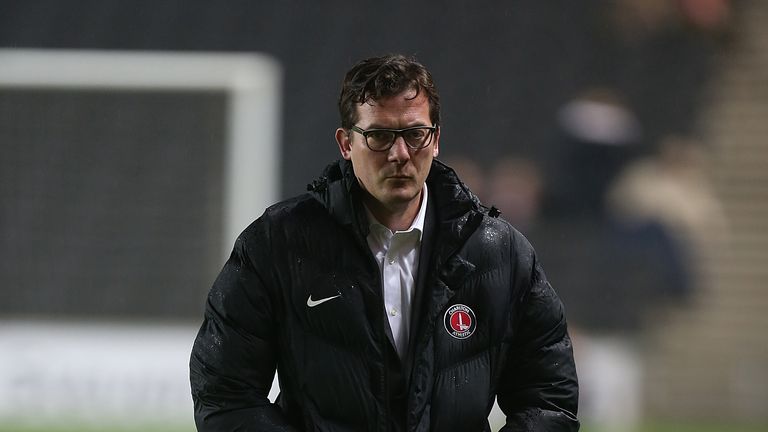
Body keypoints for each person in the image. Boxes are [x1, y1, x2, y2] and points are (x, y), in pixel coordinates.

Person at [189, 54, 579, 432]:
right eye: (379, 136)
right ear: (346, 144)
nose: (400, 154)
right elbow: (225, 393)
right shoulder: (277, 244)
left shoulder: (500, 253)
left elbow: (549, 400)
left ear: (436, 139)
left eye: (415, 134)